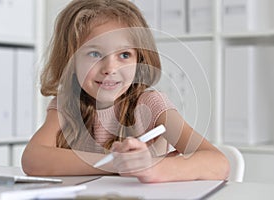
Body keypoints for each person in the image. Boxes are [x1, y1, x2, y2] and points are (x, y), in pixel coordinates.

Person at [22, 0, 229, 183]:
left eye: (124, 55)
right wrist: (116, 163)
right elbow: (33, 160)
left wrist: (151, 166)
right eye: (94, 53)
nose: (110, 68)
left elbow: (218, 163)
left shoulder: (151, 104)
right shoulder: (66, 104)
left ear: (139, 60)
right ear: (70, 61)